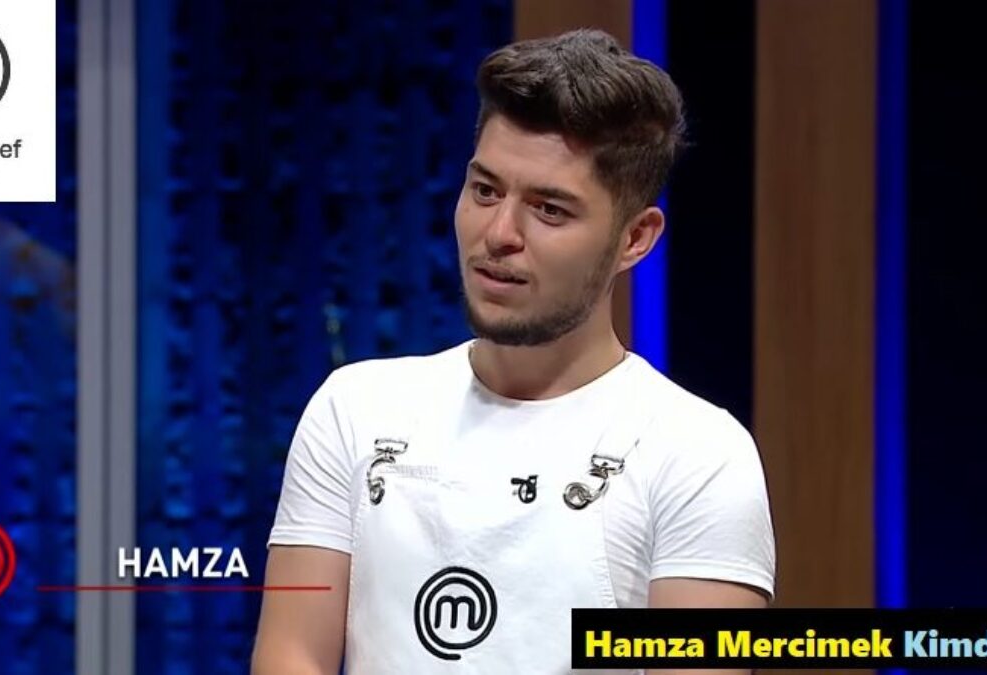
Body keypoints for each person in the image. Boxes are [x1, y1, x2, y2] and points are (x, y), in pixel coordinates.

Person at [251, 28, 775, 675]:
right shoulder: (355, 410)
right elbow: (291, 656)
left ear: (634, 239)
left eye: (549, 210)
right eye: (485, 191)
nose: (499, 234)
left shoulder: (697, 456)